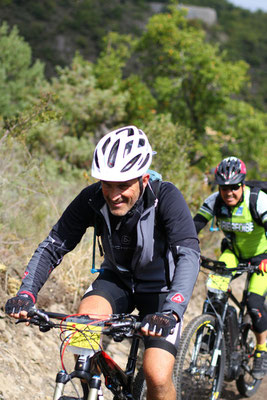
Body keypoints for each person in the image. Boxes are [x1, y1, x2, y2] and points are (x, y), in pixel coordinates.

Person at [5, 125, 200, 400]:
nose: (113, 194)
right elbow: (53, 245)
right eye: (107, 183)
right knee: (80, 335)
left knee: (156, 375)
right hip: (116, 281)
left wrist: (172, 310)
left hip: (161, 290)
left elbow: (188, 254)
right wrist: (26, 293)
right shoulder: (91, 197)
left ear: (143, 179)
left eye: (123, 185)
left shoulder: (165, 197)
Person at [193, 156, 267, 379]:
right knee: (215, 288)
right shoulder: (215, 201)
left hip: (261, 257)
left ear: (242, 184)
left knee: (254, 304)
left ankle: (262, 350)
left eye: (234, 187)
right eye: (224, 188)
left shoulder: (258, 200)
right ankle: (209, 332)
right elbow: (194, 225)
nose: (229, 193)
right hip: (233, 253)